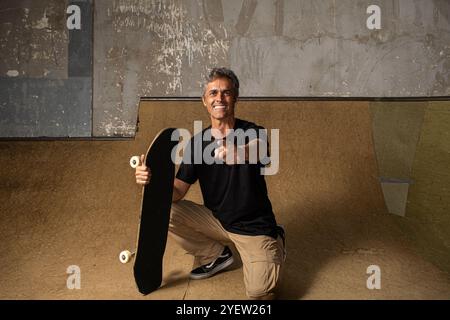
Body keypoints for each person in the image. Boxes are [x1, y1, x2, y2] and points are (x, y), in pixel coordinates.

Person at [135, 67, 285, 300]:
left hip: (255, 229)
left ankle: (276, 243)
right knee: (165, 210)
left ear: (235, 97)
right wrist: (153, 183)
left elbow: (260, 149)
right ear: (204, 101)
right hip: (218, 221)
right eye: (213, 93)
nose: (219, 98)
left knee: (259, 294)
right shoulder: (197, 144)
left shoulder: (253, 132)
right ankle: (216, 256)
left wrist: (240, 151)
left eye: (226, 93)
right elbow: (177, 192)